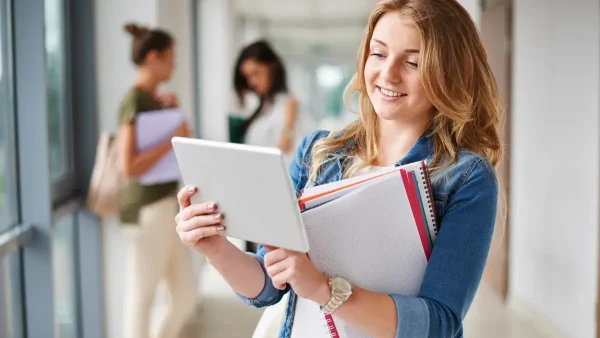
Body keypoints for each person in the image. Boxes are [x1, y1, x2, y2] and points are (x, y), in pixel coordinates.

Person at [174, 0, 502, 336]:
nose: (388, 74)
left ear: (449, 71)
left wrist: (322, 288)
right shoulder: (318, 154)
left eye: (413, 62)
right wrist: (214, 247)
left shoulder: (464, 177)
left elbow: (438, 324)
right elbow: (270, 283)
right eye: (378, 53)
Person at [117, 23, 196, 338]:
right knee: (142, 296)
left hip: (166, 206)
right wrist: (170, 139)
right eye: (170, 57)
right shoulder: (134, 101)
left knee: (184, 296)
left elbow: (186, 141)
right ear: (154, 57)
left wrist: (173, 114)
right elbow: (129, 166)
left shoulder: (154, 100)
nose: (174, 64)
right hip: (147, 209)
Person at [233, 40, 311, 164]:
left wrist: (288, 130)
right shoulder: (261, 108)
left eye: (256, 73)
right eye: (247, 77)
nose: (251, 82)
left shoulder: (289, 104)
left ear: (272, 68)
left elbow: (286, 153)